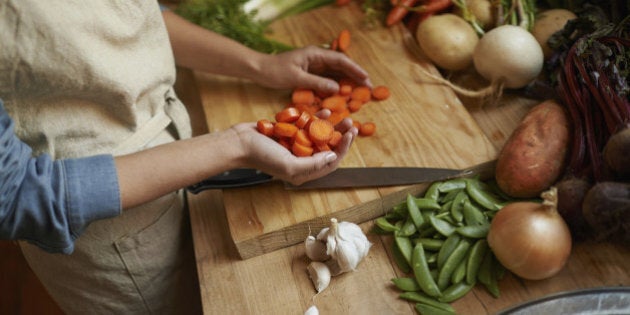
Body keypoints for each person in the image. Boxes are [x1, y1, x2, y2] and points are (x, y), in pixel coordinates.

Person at [0, 1, 371, 314]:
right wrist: (234, 145)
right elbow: (18, 196)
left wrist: (260, 65)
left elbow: (133, 14)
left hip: (180, 154)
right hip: (111, 230)